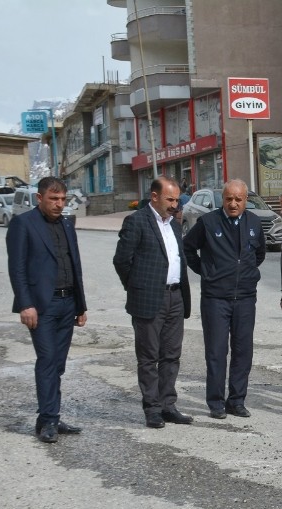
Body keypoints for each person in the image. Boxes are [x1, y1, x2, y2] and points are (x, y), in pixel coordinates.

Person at [5, 176, 88, 443]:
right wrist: (25, 304)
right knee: (48, 360)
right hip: (42, 306)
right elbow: (17, 268)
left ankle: (48, 417)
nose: (59, 204)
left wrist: (80, 305)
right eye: (53, 199)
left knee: (58, 364)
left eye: (63, 199)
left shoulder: (66, 224)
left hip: (67, 303)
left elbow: (74, 266)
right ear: (39, 198)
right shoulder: (23, 224)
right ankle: (49, 420)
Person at [113, 176, 193, 429]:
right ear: (154, 196)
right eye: (170, 199)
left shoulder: (175, 225)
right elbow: (121, 260)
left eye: (177, 199)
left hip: (176, 297)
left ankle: (168, 405)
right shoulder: (136, 221)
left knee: (171, 354)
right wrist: (137, 288)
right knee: (149, 357)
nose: (174, 204)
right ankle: (152, 409)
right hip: (149, 298)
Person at [183, 179, 265, 419]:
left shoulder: (253, 223)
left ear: (245, 200)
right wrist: (207, 271)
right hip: (215, 299)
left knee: (243, 351)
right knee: (217, 352)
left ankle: (236, 401)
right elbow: (187, 248)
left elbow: (258, 253)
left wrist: (247, 274)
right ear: (223, 199)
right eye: (229, 198)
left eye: (238, 199)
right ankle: (216, 403)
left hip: (245, 299)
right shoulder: (208, 222)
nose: (233, 203)